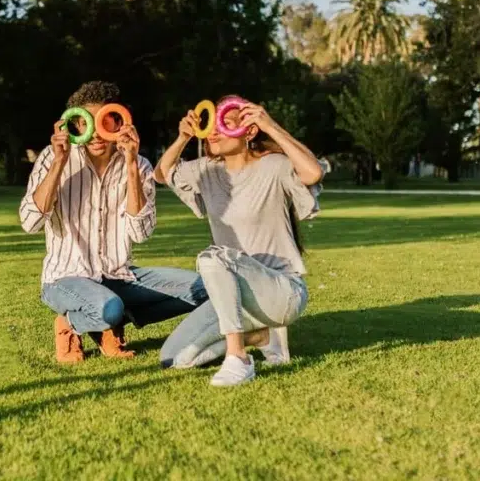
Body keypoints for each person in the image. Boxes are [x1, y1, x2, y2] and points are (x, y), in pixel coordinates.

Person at [20, 81, 208, 364]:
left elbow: (141, 232)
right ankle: (72, 325)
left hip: (119, 275)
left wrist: (131, 163)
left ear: (119, 121)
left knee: (205, 288)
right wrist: (59, 162)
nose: (95, 133)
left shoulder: (140, 165)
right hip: (64, 278)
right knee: (108, 307)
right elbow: (30, 222)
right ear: (74, 124)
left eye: (104, 122)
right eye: (86, 123)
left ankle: (112, 321)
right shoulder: (52, 157)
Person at [154, 97, 326, 386]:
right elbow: (162, 174)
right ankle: (260, 335)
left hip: (281, 292)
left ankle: (239, 358)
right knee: (174, 359)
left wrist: (269, 124)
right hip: (235, 298)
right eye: (211, 125)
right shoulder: (206, 170)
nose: (214, 132)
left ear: (249, 132)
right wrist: (183, 138)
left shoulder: (274, 166)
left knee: (213, 257)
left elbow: (313, 172)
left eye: (226, 123)